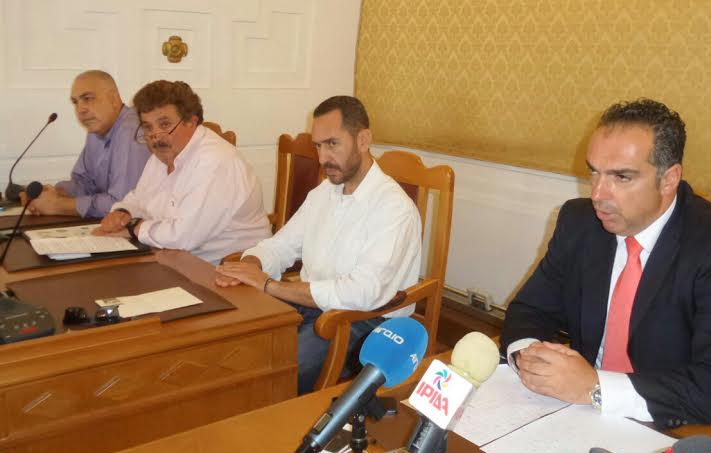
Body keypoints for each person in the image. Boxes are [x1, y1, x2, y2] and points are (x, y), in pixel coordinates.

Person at [502, 99, 711, 430]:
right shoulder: (579, 221)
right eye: (594, 172)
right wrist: (529, 359)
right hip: (581, 414)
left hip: (682, 429)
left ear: (669, 179)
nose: (598, 194)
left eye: (621, 177)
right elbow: (529, 310)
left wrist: (596, 387)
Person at [215, 96, 422, 394]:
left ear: (363, 140)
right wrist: (249, 267)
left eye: (332, 144)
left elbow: (361, 293)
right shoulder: (325, 192)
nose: (323, 158)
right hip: (311, 306)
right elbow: (282, 245)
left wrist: (271, 287)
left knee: (273, 373)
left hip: (364, 321)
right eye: (318, 146)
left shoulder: (393, 208)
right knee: (233, 344)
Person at [95, 80, 270, 264]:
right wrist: (123, 213)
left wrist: (133, 227)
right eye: (148, 127)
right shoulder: (162, 155)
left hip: (226, 268)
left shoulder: (215, 162)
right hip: (174, 258)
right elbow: (139, 198)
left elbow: (184, 237)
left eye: (164, 124)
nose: (155, 137)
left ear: (191, 121)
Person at [26, 70, 150, 218]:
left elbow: (123, 205)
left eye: (88, 98)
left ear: (114, 99)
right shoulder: (96, 128)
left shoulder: (132, 131)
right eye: (75, 102)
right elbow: (84, 182)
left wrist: (58, 205)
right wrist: (54, 193)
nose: (80, 109)